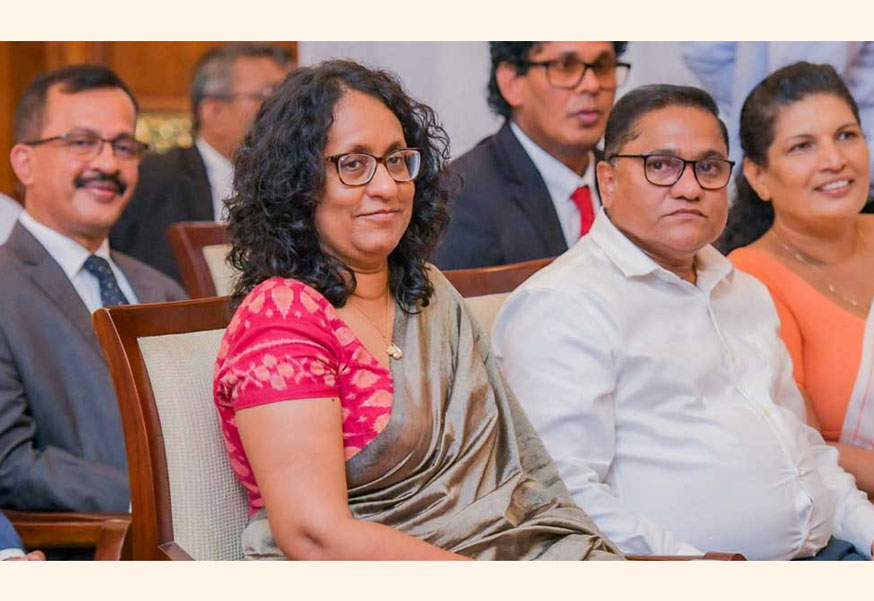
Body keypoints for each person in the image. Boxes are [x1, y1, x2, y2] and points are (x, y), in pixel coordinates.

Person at [213, 60, 621, 561]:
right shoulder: (281, 320)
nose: (386, 186)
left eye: (396, 160)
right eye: (353, 164)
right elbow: (314, 535)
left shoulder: (426, 293)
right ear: (296, 184)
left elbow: (513, 488)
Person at [492, 83, 874, 560]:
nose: (689, 188)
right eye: (660, 166)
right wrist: (696, 569)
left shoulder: (741, 289)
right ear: (608, 180)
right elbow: (560, 494)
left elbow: (803, 447)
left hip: (835, 548)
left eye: (707, 168)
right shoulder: (563, 304)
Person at [0, 65, 186, 513]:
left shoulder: (163, 291)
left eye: (124, 146)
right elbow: (9, 464)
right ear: (24, 162)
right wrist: (154, 500)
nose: (107, 164)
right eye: (81, 143)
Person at [723, 62, 874, 500]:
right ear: (759, 176)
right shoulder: (752, 278)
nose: (834, 160)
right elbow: (801, 446)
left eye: (846, 135)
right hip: (865, 525)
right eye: (803, 146)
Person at [432, 41, 628, 270]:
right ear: (512, 82)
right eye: (566, 66)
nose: (592, 85)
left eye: (603, 66)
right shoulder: (458, 196)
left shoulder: (632, 177)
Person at [110, 43, 293, 282]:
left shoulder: (295, 181)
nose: (285, 113)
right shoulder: (152, 180)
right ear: (213, 110)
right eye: (268, 96)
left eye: (289, 100)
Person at [682, 42, 874, 206]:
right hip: (841, 190)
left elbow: (705, 52)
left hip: (841, 186)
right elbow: (798, 98)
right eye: (804, 145)